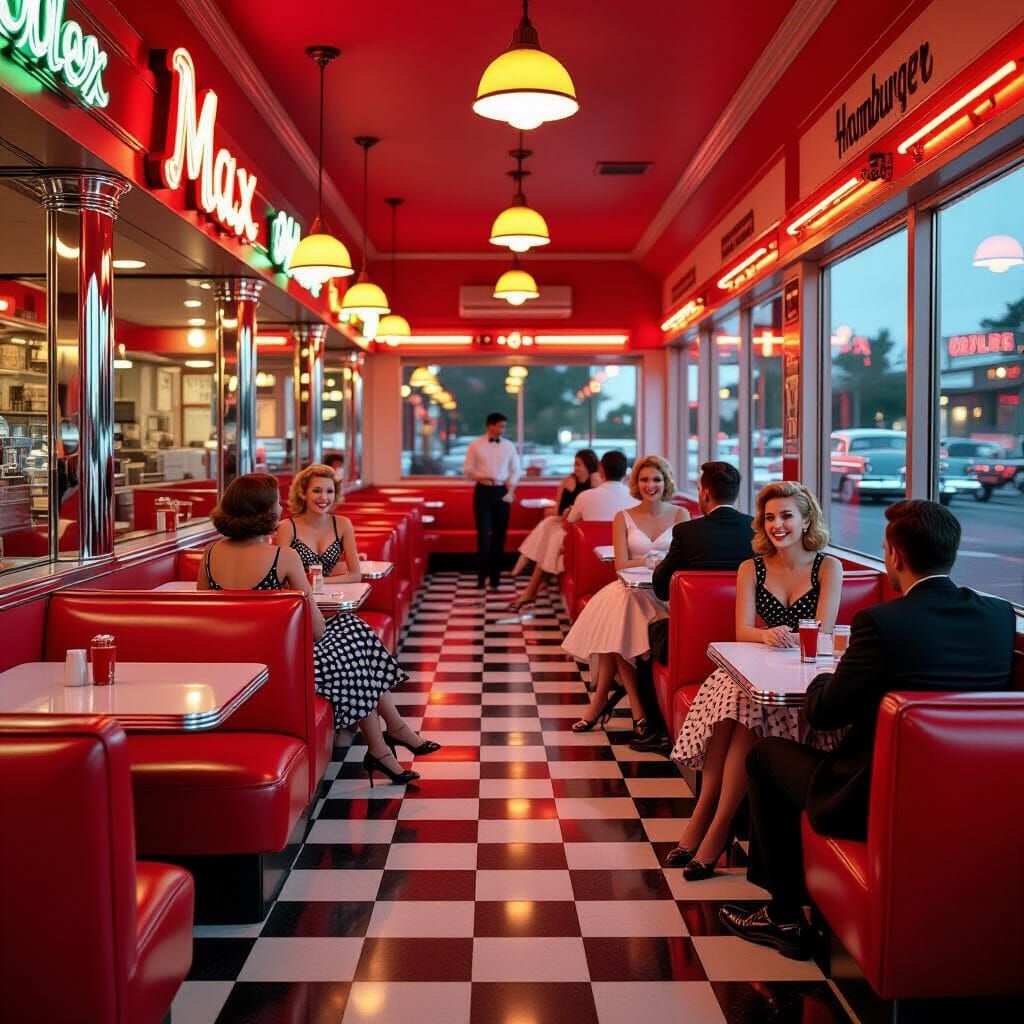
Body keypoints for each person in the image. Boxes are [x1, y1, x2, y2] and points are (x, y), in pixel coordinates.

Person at [721, 500, 1015, 959]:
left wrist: (821, 679)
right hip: (981, 793)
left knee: (765, 756)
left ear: (895, 556)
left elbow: (824, 714)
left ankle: (783, 915)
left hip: (873, 791)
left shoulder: (881, 622)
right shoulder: (999, 617)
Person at [199, 473, 439, 787]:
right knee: (352, 637)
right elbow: (315, 628)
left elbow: (205, 611)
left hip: (232, 658)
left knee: (352, 637)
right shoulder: (283, 557)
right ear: (265, 511)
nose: (282, 506)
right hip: (279, 663)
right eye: (276, 502)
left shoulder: (209, 555)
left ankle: (384, 745)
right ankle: (390, 736)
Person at [669, 481, 842, 881]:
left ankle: (713, 825)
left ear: (806, 520)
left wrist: (792, 638)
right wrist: (765, 635)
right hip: (757, 665)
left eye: (786, 516)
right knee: (739, 701)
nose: (777, 525)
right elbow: (742, 629)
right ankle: (708, 819)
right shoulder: (752, 566)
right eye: (769, 517)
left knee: (745, 708)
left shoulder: (827, 566)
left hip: (804, 672)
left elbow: (826, 631)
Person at [631, 462, 755, 752]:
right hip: (745, 637)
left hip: (692, 638)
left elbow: (661, 586)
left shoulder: (687, 532)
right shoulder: (755, 531)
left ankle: (656, 730)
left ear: (706, 493)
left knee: (646, 641)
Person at [562, 455, 689, 740]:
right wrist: (654, 559)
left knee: (615, 625)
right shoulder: (623, 517)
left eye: (656, 479)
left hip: (665, 596)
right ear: (635, 483)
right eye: (644, 479)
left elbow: (683, 563)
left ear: (665, 482)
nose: (650, 485)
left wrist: (651, 562)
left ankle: (599, 704)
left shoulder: (681, 516)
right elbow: (621, 564)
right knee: (621, 610)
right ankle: (637, 711)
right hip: (632, 590)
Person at [509, 448, 600, 611]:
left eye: (579, 465)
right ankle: (526, 567)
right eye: (574, 464)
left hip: (578, 528)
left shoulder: (595, 484)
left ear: (589, 466)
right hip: (564, 521)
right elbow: (559, 509)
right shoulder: (568, 480)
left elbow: (589, 511)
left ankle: (524, 562)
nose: (575, 469)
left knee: (551, 531)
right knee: (549, 523)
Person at [275, 464, 362, 583]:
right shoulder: (287, 527)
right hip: (300, 598)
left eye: (330, 491)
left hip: (332, 596)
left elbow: (355, 576)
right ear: (302, 493)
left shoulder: (343, 525)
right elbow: (282, 578)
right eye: (317, 491)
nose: (324, 497)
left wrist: (318, 583)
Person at [463, 412, 521, 589]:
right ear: (490, 426)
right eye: (500, 426)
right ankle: (481, 578)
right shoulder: (476, 445)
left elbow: (516, 470)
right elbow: (468, 469)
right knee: (483, 535)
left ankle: (495, 578)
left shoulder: (509, 446)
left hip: (502, 492)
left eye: (504, 426)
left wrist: (511, 488)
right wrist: (484, 476)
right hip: (483, 491)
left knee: (499, 536)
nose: (503, 429)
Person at [564, 449, 633, 524]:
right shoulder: (636, 498)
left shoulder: (584, 497)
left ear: (601, 469)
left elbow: (569, 522)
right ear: (625, 472)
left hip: (591, 535)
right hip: (624, 535)